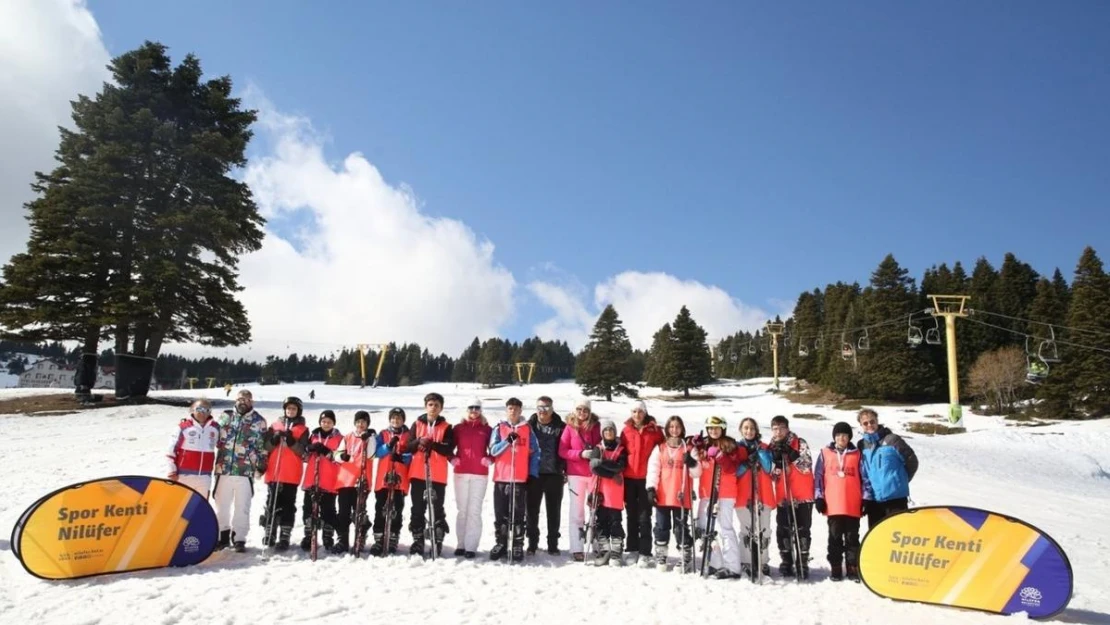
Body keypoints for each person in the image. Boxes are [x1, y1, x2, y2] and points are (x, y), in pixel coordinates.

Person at [815, 421, 873, 582]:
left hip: (852, 503)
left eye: (845, 435)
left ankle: (852, 567)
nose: (842, 438)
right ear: (834, 437)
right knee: (834, 538)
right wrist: (819, 497)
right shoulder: (825, 453)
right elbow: (818, 477)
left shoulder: (857, 454)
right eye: (839, 435)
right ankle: (835, 567)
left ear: (849, 437)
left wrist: (866, 498)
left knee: (852, 538)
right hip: (833, 504)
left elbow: (865, 478)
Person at [212, 389, 268, 552]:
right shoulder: (226, 416)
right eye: (240, 399)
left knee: (242, 505)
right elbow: (213, 435)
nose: (243, 402)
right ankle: (222, 535)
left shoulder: (259, 421)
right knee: (221, 505)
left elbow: (262, 446)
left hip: (245, 469)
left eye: (247, 399)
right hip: (224, 468)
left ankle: (239, 538)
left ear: (252, 401)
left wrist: (261, 466)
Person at [692, 415, 747, 579]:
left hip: (725, 493)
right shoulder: (704, 445)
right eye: (710, 428)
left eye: (716, 428)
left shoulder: (730, 444)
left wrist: (720, 456)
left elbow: (732, 468)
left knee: (725, 528)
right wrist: (694, 446)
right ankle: (715, 564)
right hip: (707, 492)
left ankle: (733, 566)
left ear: (722, 428)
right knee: (708, 529)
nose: (713, 431)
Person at [645, 415, 700, 571]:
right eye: (671, 427)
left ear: (682, 429)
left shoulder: (688, 449)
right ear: (667, 429)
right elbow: (653, 469)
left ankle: (685, 556)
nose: (674, 430)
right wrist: (651, 488)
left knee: (680, 527)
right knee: (662, 526)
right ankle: (661, 555)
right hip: (663, 493)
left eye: (677, 427)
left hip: (680, 495)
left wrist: (692, 463)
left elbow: (697, 473)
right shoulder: (660, 448)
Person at [488, 397, 540, 562]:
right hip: (502, 477)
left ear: (521, 411)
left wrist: (532, 474)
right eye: (510, 408)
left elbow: (536, 452)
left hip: (519, 478)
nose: (513, 411)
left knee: (518, 513)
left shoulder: (527, 429)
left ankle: (517, 543)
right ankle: (501, 542)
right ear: (507, 410)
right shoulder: (499, 427)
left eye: (516, 409)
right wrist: (507, 441)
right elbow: (493, 451)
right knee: (501, 512)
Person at [406, 392, 455, 556]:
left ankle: (437, 539)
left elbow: (448, 448)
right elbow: (408, 446)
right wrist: (418, 441)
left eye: (437, 405)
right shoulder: (417, 423)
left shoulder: (447, 427)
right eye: (430, 404)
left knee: (437, 508)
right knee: (418, 508)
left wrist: (433, 444)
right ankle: (418, 539)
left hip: (438, 474)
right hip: (418, 472)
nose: (433, 408)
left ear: (441, 408)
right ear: (425, 406)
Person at [768, 415, 815, 578]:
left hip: (802, 494)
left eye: (781, 428)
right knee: (783, 529)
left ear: (787, 428)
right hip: (783, 495)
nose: (778, 431)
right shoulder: (771, 447)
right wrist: (777, 467)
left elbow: (807, 465)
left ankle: (802, 562)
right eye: (775, 428)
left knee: (802, 529)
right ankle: (786, 560)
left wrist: (791, 455)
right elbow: (771, 474)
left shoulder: (799, 443)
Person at [855, 408, 918, 530]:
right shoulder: (861, 445)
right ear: (861, 425)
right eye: (865, 423)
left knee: (899, 535)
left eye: (872, 421)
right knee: (877, 537)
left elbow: (912, 461)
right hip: (874, 500)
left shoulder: (893, 440)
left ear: (877, 421)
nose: (870, 425)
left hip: (896, 498)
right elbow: (862, 471)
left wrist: (901, 481)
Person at [620, 400, 665, 566]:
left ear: (645, 413)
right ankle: (632, 549)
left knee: (645, 516)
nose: (637, 415)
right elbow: (621, 452)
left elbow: (663, 451)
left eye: (640, 411)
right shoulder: (626, 431)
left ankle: (645, 552)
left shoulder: (655, 431)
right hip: (629, 479)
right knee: (631, 515)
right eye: (634, 412)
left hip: (647, 479)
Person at [262, 397, 310, 551]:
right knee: (271, 504)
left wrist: (291, 441)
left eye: (294, 409)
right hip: (274, 471)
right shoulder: (275, 426)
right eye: (288, 408)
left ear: (298, 411)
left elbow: (303, 451)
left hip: (291, 472)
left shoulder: (303, 429)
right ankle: (270, 532)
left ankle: (285, 535)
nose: (290, 411)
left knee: (288, 505)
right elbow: (266, 447)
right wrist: (274, 439)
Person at [558, 397, 601, 561]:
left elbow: (602, 444)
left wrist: (596, 453)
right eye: (579, 409)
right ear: (574, 411)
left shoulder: (596, 426)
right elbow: (562, 450)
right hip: (575, 473)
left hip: (593, 473)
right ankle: (577, 547)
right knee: (577, 512)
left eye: (585, 410)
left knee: (595, 509)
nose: (582, 413)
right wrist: (580, 454)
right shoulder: (569, 427)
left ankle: (596, 544)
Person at [451, 397, 493, 559]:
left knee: (474, 511)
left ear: (481, 410)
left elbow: (496, 448)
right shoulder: (459, 428)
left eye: (477, 408)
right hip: (461, 472)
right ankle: (461, 544)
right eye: (471, 408)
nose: (474, 411)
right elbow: (449, 446)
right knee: (462, 510)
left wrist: (490, 459)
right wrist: (451, 458)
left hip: (479, 473)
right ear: (466, 410)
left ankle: (471, 546)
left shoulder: (487, 429)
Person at [369, 408, 413, 556]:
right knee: (380, 508)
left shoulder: (408, 435)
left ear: (403, 420)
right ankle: (379, 539)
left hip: (400, 477)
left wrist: (402, 457)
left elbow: (411, 453)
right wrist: (388, 446)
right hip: (383, 476)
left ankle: (393, 538)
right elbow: (377, 453)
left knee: (397, 509)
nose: (396, 421)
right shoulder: (383, 434)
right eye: (393, 418)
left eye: (399, 418)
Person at [736, 417, 776, 579]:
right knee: (747, 529)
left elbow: (769, 468)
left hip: (763, 494)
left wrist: (760, 452)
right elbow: (733, 471)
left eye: (752, 428)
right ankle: (746, 561)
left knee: (764, 529)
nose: (749, 431)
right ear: (741, 430)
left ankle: (763, 560)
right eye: (746, 428)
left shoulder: (764, 447)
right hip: (743, 495)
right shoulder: (736, 449)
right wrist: (745, 464)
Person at [526, 395, 566, 555]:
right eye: (540, 407)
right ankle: (532, 543)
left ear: (552, 408)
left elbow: (567, 447)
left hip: (554, 474)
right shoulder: (528, 426)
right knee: (531, 511)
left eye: (546, 407)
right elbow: (514, 440)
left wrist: (565, 469)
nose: (543, 411)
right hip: (534, 474)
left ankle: (553, 544)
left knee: (554, 511)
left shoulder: (561, 427)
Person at [299, 410, 343, 552]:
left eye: (329, 422)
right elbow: (304, 456)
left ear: (333, 423)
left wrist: (326, 451)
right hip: (312, 477)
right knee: (308, 509)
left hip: (329, 478)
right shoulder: (313, 435)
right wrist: (309, 448)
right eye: (323, 421)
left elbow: (340, 459)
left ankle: (327, 536)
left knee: (328, 510)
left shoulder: (339, 438)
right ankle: (308, 535)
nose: (326, 424)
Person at [587, 418, 628, 567]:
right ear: (602, 433)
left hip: (615, 491)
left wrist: (602, 463)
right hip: (600, 489)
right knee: (601, 520)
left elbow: (620, 466)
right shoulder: (598, 448)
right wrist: (611, 474)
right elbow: (594, 467)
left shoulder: (620, 449)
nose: (608, 432)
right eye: (605, 430)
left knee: (615, 520)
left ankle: (617, 550)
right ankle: (604, 550)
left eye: (611, 430)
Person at [334, 410, 376, 554]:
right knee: (343, 513)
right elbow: (337, 455)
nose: (360, 424)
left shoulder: (370, 437)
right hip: (345, 479)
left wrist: (368, 439)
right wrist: (342, 456)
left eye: (363, 422)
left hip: (362, 480)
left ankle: (360, 537)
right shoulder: (347, 437)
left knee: (359, 511)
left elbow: (370, 454)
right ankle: (343, 540)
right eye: (358, 422)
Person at [167, 398, 220, 496]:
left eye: (206, 410)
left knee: (201, 507)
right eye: (199, 409)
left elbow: (223, 445)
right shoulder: (183, 427)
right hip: (183, 476)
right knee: (181, 507)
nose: (203, 413)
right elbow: (171, 451)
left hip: (205, 477)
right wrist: (172, 471)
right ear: (192, 410)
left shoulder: (215, 428)